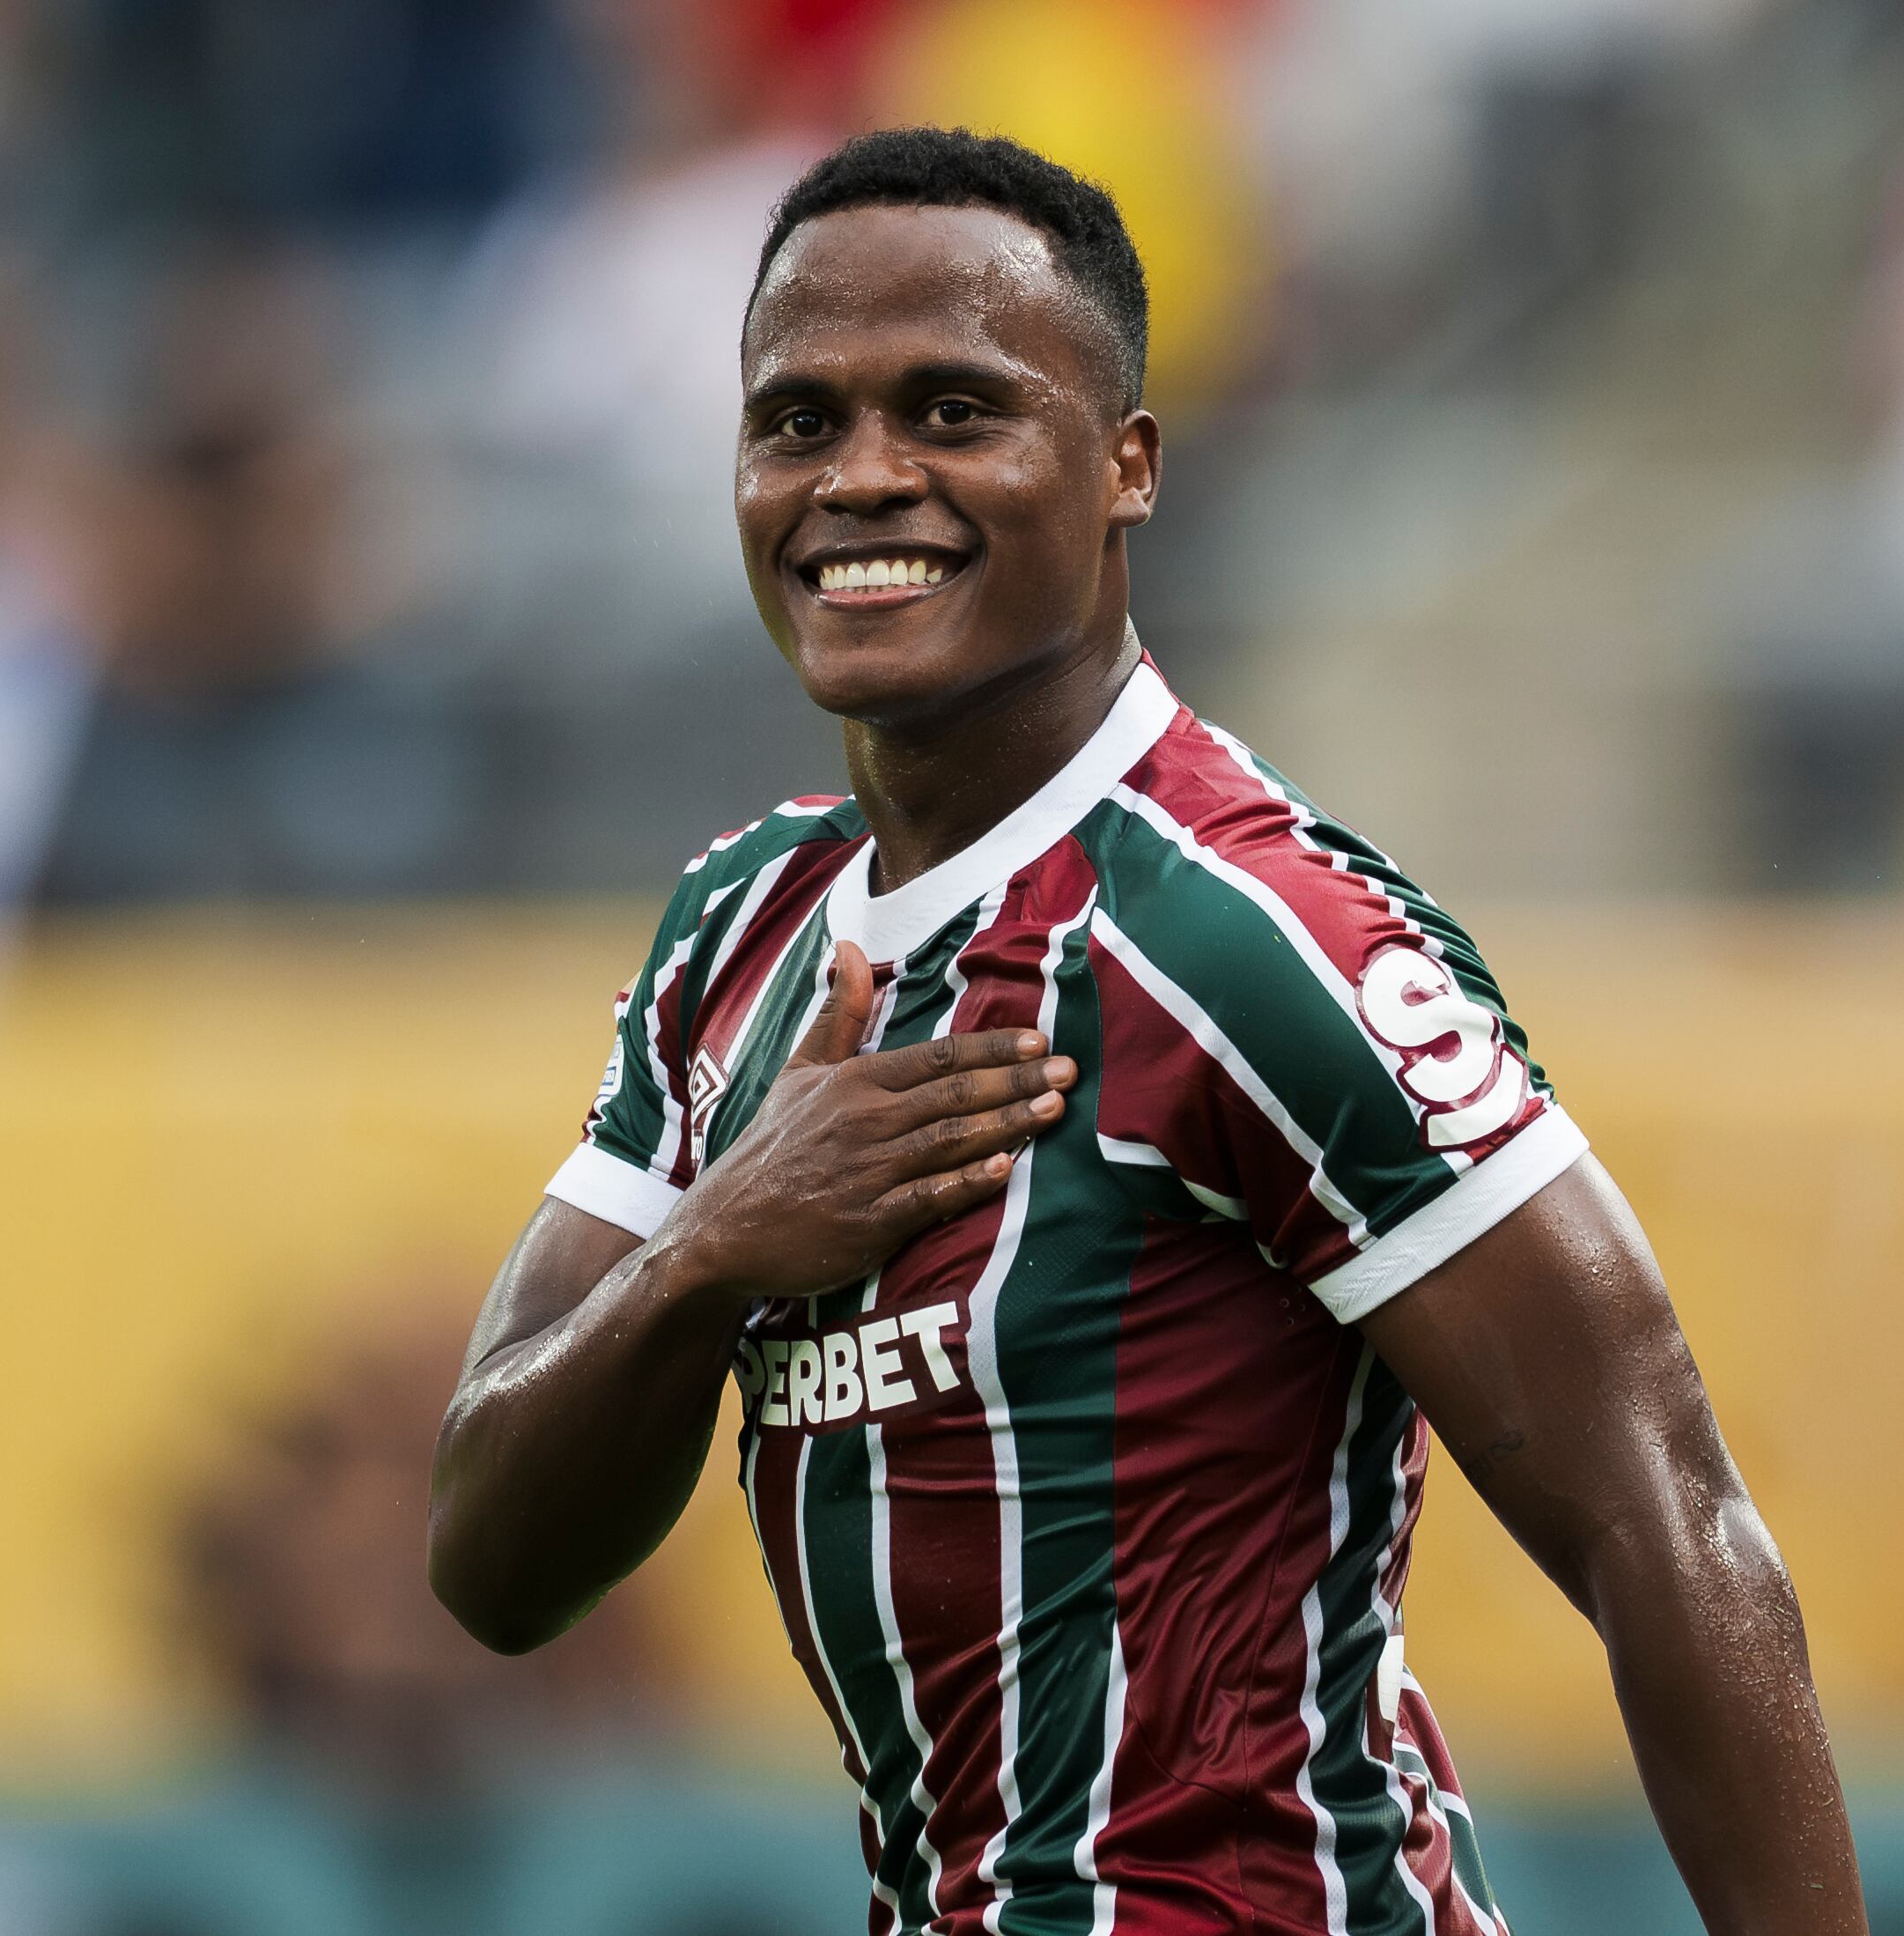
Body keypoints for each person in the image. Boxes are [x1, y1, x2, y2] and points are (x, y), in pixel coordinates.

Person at [429, 127, 1864, 1935]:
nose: (859, 477)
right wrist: (714, 1249)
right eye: (796, 421)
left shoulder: (1246, 938)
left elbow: (1666, 1523)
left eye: (952, 410)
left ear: (1124, 466)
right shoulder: (738, 938)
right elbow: (487, 1556)